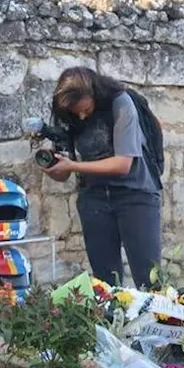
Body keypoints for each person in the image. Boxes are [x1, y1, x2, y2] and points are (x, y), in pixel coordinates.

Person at [44, 67, 162, 288]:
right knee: (105, 285)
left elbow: (123, 164)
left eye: (86, 109)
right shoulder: (66, 114)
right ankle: (111, 322)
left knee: (150, 279)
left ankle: (158, 321)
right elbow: (65, 172)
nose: (81, 116)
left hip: (135, 194)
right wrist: (57, 168)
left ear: (95, 94)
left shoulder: (120, 103)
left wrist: (74, 165)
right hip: (94, 199)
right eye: (75, 112)